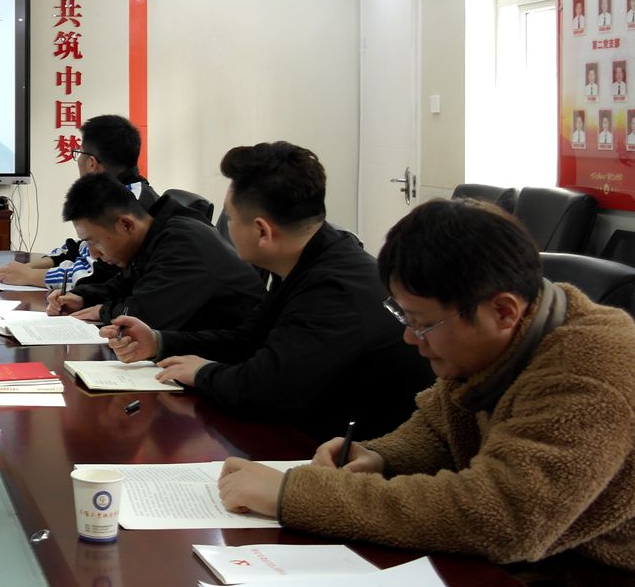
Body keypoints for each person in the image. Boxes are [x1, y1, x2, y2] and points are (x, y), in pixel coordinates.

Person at [218, 199, 635, 575]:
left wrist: (296, 495)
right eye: (404, 317)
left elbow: (502, 518)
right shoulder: (503, 337)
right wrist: (380, 456)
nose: (410, 337)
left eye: (422, 323)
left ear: (503, 311)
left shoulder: (591, 371)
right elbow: (440, 428)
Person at [100, 141, 433, 440]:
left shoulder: (334, 290)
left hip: (357, 456)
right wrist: (159, 341)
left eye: (231, 218)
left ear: (262, 231)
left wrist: (202, 373)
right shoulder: (315, 255)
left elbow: (261, 390)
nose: (226, 228)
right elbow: (247, 338)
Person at [54, 173, 263, 329]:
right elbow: (125, 284)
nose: (93, 253)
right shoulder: (154, 233)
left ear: (126, 224)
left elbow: (147, 315)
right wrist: (82, 297)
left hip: (235, 359)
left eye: (94, 242)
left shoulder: (181, 244)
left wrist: (102, 311)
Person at [0, 115, 157, 294]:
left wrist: (29, 276)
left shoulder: (131, 204)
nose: (78, 160)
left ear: (92, 163)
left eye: (78, 153)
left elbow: (102, 276)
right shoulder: (109, 194)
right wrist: (26, 268)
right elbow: (79, 248)